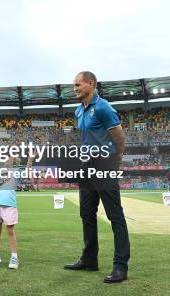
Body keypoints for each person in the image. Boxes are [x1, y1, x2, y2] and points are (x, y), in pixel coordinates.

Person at [64, 71, 130, 283]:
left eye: (78, 85)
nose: (74, 88)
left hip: (104, 164)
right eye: (73, 85)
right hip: (86, 166)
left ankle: (120, 266)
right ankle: (89, 259)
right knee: (86, 214)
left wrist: (115, 160)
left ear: (90, 84)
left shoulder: (103, 107)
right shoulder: (78, 110)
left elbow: (119, 137)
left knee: (115, 216)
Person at [0, 156, 21, 269]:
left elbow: (28, 170)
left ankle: (14, 257)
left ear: (13, 162)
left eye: (10, 159)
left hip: (9, 206)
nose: (7, 160)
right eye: (6, 158)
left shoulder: (16, 172)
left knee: (10, 231)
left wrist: (31, 159)